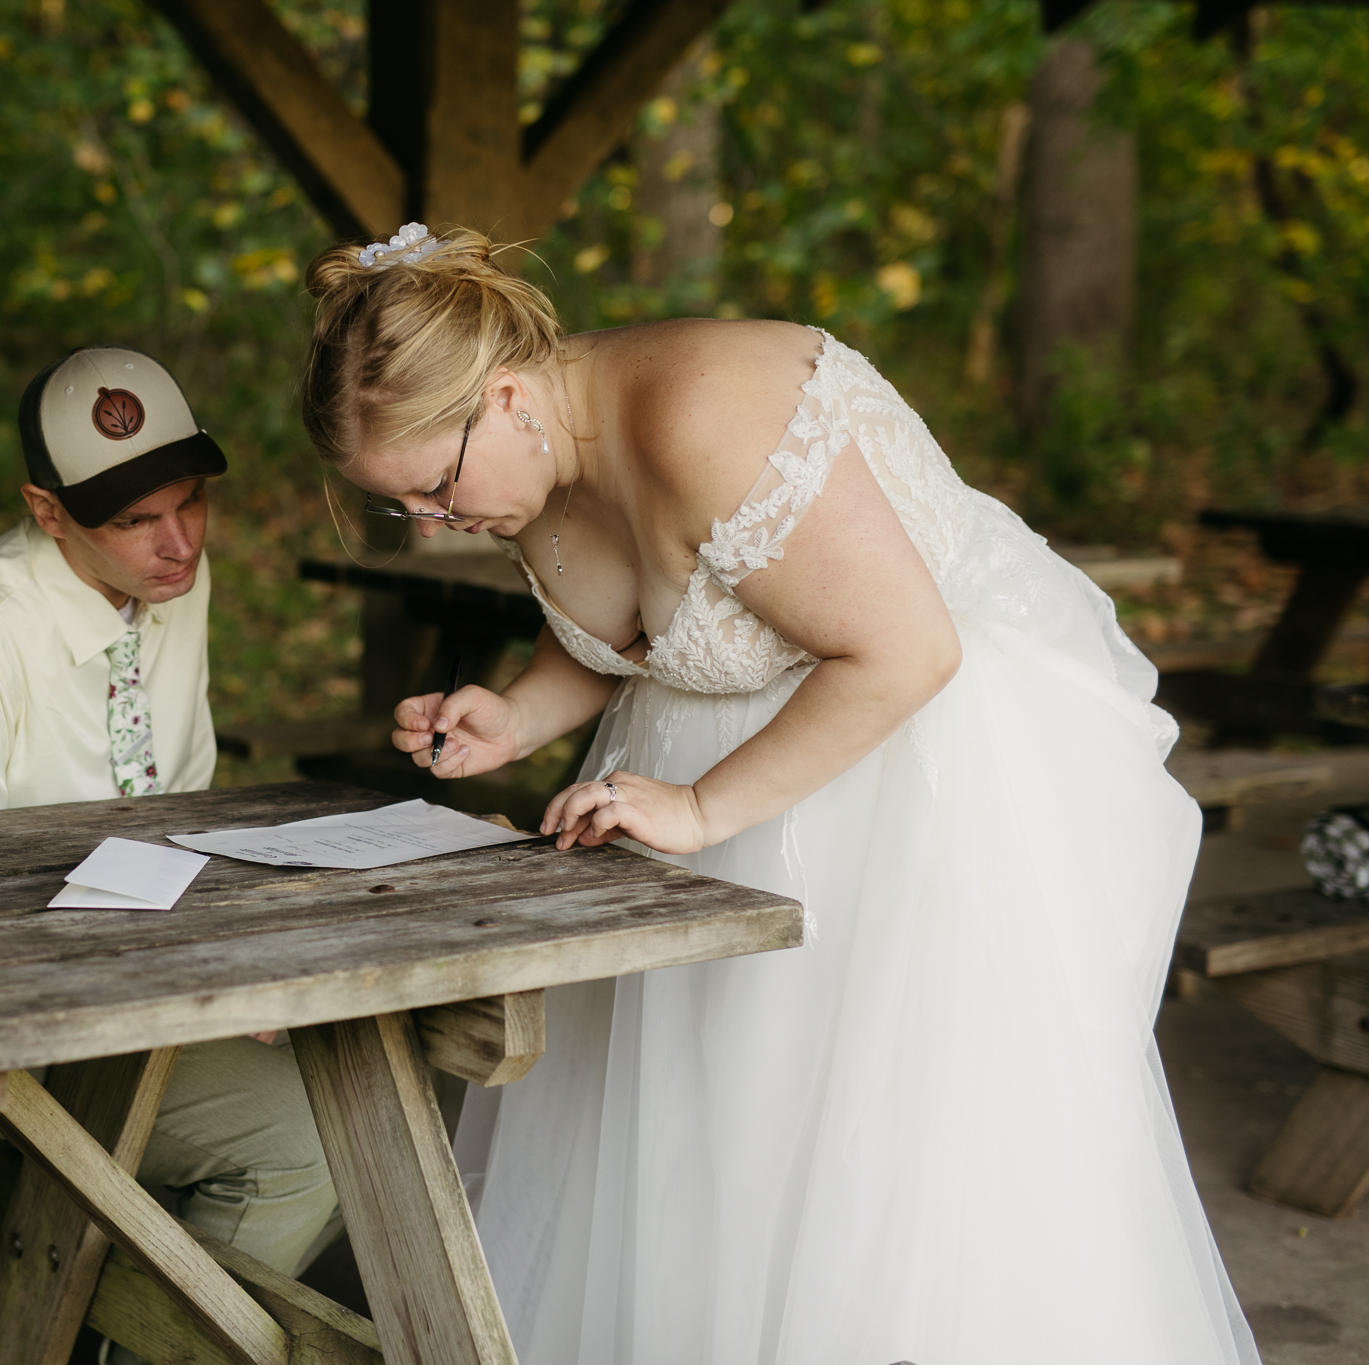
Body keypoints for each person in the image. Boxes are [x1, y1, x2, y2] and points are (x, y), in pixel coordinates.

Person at [298, 225, 1257, 1363]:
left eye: (434, 491)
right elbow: (640, 629)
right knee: (691, 1145)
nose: (433, 525)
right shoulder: (534, 448)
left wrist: (700, 811)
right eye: (404, 508)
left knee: (862, 1167)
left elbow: (903, 654)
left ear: (504, 395)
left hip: (892, 777)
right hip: (696, 791)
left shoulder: (706, 416)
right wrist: (510, 714)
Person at [0, 346, 338, 1295]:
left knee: (357, 1088)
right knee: (307, 1141)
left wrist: (227, 968)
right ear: (45, 510)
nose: (180, 542)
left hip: (123, 972)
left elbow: (175, 815)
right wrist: (197, 992)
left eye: (192, 499)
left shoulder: (165, 586)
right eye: (134, 519)